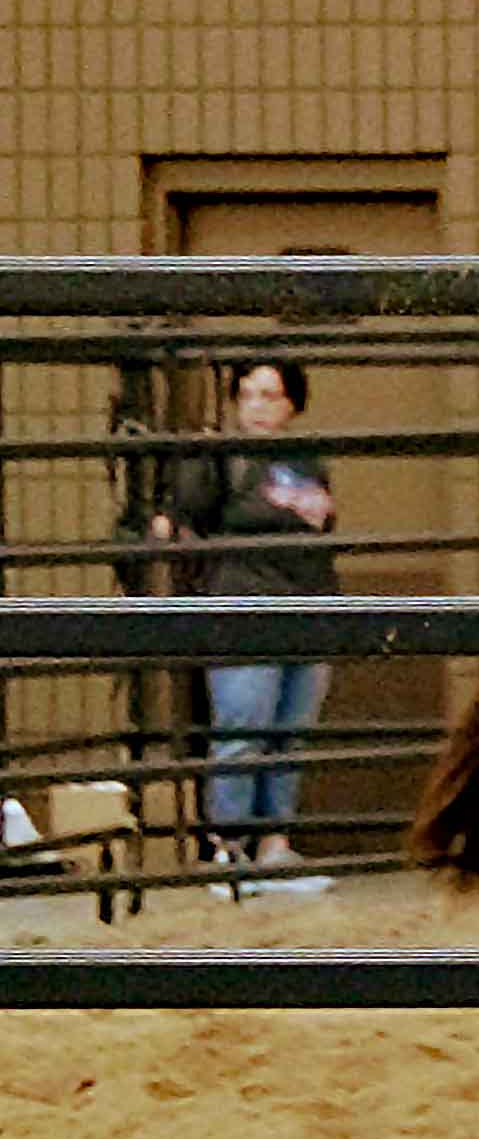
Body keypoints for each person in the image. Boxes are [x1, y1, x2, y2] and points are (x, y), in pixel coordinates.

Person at [148, 355, 339, 898]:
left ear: (293, 404)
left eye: (271, 395)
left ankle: (274, 846)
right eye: (249, 393)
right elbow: (177, 524)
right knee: (241, 727)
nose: (258, 406)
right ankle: (228, 849)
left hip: (310, 607)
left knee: (288, 735)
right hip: (242, 608)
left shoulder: (309, 461)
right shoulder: (219, 458)